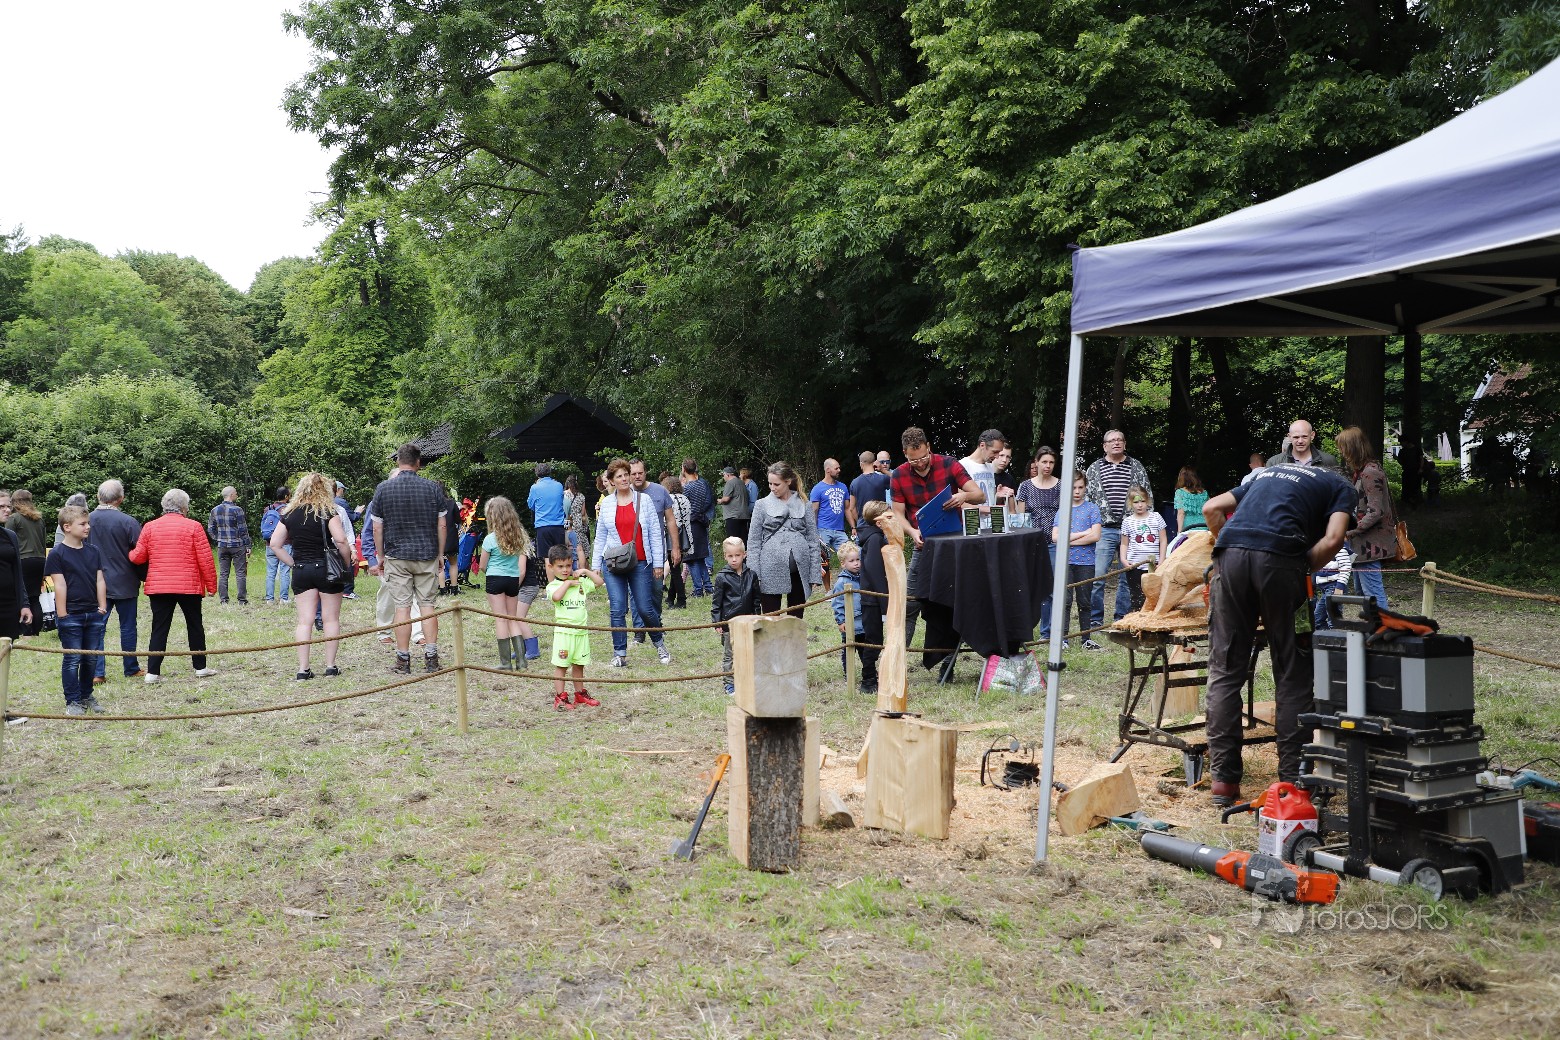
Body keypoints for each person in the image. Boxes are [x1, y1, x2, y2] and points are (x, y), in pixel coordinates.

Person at [1201, 462, 1356, 805]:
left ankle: (1223, 783)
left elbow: (1211, 508)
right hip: (1282, 561)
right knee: (1292, 671)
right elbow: (1334, 539)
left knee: (1225, 669)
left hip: (1230, 558)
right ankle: (1293, 782)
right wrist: (1302, 567)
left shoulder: (1265, 475)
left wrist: (1228, 550)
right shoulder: (1341, 487)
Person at [888, 427, 986, 640]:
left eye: (923, 457)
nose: (920, 463)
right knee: (910, 603)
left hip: (954, 545)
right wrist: (912, 531)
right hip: (923, 545)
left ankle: (948, 657)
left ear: (929, 447)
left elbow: (980, 495)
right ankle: (899, 655)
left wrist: (962, 497)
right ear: (905, 453)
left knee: (953, 601)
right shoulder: (899, 475)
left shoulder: (949, 463)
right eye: (914, 460)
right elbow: (897, 514)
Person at [369, 444, 448, 675]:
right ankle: (431, 657)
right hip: (426, 554)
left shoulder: (383, 489)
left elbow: (377, 528)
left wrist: (380, 556)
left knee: (402, 607)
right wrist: (440, 553)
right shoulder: (432, 488)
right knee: (427, 605)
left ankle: (403, 660)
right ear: (418, 463)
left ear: (398, 461)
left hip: (397, 555)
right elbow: (442, 525)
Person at [269, 472, 353, 680]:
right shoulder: (328, 511)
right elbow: (341, 540)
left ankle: (303, 669)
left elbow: (275, 544)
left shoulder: (289, 513)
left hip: (301, 569)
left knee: (304, 621)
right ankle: (330, 666)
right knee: (330, 619)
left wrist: (293, 563)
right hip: (327, 569)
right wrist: (345, 562)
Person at [129, 488, 218, 683]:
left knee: (159, 628)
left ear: (164, 506)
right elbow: (205, 559)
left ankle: (152, 673)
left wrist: (128, 553)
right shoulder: (194, 527)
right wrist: (211, 585)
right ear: (184, 507)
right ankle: (200, 667)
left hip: (159, 586)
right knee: (195, 625)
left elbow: (138, 557)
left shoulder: (150, 527)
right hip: (189, 586)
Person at [593, 458, 671, 667]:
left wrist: (658, 563)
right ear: (611, 481)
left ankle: (659, 643)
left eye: (626, 474)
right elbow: (600, 536)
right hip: (614, 563)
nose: (624, 479)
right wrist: (595, 565)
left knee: (645, 608)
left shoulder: (644, 500)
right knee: (617, 608)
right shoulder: (607, 504)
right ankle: (619, 653)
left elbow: (655, 533)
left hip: (641, 562)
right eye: (619, 476)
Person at [1084, 429, 1153, 629]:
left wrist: (1145, 525)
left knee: (1127, 576)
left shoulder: (1136, 466)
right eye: (1112, 440)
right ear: (1104, 446)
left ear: (1124, 444)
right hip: (1104, 530)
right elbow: (1087, 499)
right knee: (1098, 575)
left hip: (1131, 529)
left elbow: (1147, 496)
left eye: (1119, 440)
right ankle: (1095, 620)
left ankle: (1121, 618)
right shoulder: (1094, 469)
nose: (1116, 443)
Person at [45, 504, 107, 716]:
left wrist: (102, 606)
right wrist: (62, 614)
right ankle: (72, 700)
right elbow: (60, 584)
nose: (88, 527)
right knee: (72, 659)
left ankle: (86, 695)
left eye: (88, 523)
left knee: (91, 658)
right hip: (71, 615)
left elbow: (100, 579)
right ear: (67, 527)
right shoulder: (57, 554)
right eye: (83, 524)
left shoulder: (93, 551)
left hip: (93, 613)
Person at [748, 461, 822, 618]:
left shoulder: (805, 504)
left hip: (799, 570)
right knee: (771, 620)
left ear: (788, 481)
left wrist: (814, 573)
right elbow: (753, 542)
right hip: (769, 569)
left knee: (795, 619)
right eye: (770, 484)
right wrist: (755, 575)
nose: (772, 488)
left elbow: (813, 541)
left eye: (776, 484)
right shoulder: (761, 505)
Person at [88, 479, 145, 683]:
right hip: (125, 581)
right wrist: (144, 576)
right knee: (128, 626)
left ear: (98, 496)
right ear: (121, 499)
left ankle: (97, 672)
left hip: (94, 582)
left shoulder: (86, 521)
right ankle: (131, 667)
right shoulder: (128, 522)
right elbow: (140, 553)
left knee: (96, 627)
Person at [1335, 426, 1397, 609]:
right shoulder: (1362, 471)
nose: (1341, 452)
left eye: (1343, 447)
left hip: (1370, 546)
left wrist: (1350, 531)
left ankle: (1382, 626)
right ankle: (1372, 625)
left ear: (1353, 447)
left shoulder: (1370, 472)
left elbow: (1375, 511)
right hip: (1361, 546)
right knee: (1363, 594)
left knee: (1373, 595)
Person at [478, 496, 540, 671]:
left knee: (501, 619)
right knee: (513, 619)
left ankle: (505, 663)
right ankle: (521, 661)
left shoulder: (490, 539)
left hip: (495, 579)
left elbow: (482, 565)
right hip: (513, 580)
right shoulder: (518, 537)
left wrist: (490, 571)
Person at [546, 545, 603, 709]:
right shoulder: (553, 586)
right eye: (560, 566)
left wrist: (584, 571)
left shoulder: (581, 583)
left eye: (568, 566)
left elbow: (599, 582)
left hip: (581, 633)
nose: (565, 570)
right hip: (564, 634)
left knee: (579, 665)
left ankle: (580, 694)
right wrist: (569, 583)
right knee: (562, 666)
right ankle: (560, 697)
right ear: (551, 567)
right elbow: (556, 597)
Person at [629, 459, 679, 641]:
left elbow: (670, 520)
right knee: (634, 592)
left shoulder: (660, 491)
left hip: (656, 551)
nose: (637, 476)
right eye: (633, 473)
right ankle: (639, 630)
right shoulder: (625, 493)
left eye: (640, 473)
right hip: (634, 553)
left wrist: (675, 547)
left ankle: (655, 623)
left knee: (657, 589)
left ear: (645, 472)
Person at [1053, 475, 1104, 650]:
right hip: (1065, 562)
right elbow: (1055, 537)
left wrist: (1068, 540)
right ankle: (1063, 638)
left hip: (1086, 562)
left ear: (1085, 488)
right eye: (1074, 487)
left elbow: (1095, 535)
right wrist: (1083, 533)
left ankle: (1086, 639)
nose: (1077, 491)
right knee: (1065, 601)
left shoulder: (1092, 509)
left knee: (1085, 601)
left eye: (1080, 487)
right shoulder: (1063, 510)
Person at [711, 535, 759, 696]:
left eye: (737, 555)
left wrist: (756, 617)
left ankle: (746, 680)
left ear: (744, 555)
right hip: (729, 623)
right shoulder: (721, 577)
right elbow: (717, 602)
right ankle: (729, 683)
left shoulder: (752, 575)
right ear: (725, 556)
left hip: (748, 622)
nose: (734, 559)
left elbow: (756, 600)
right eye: (730, 555)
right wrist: (717, 622)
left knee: (747, 652)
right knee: (730, 654)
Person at [854, 500, 889, 695]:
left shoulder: (876, 536)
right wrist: (885, 602)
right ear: (878, 521)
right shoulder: (875, 539)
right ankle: (868, 680)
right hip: (873, 598)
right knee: (873, 640)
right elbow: (876, 572)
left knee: (875, 639)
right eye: (888, 516)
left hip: (875, 598)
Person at [5, 489, 48, 635]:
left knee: (23, 598)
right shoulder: (39, 519)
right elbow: (43, 542)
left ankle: (26, 631)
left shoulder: (14, 519)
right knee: (35, 597)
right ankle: (36, 631)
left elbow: (7, 541)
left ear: (14, 502)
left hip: (23, 560)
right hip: (40, 560)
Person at [1119, 486, 1166, 612]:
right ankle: (1138, 620)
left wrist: (1162, 560)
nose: (1140, 505)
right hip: (1134, 566)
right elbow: (1124, 544)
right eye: (1136, 502)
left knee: (1154, 596)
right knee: (1137, 597)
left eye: (1143, 501)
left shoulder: (1156, 517)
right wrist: (1123, 559)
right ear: (1130, 503)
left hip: (1153, 565)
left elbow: (1163, 540)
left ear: (1148, 501)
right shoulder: (1127, 522)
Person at [206, 486, 250, 605]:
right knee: (240, 573)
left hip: (222, 545)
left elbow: (210, 528)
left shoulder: (215, 510)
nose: (237, 495)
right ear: (231, 495)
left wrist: (218, 538)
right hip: (237, 545)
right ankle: (242, 600)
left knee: (223, 573)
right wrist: (248, 545)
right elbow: (243, 529)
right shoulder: (237, 510)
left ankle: (224, 600)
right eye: (236, 493)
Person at [959, 429, 1007, 530]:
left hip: (991, 525)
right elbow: (959, 503)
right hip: (972, 526)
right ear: (982, 445)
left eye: (999, 452)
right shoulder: (962, 465)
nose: (997, 456)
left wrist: (997, 497)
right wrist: (987, 509)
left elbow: (990, 500)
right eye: (995, 452)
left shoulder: (990, 466)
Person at [681, 459, 715, 596]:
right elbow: (707, 501)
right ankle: (708, 586)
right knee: (700, 557)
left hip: (691, 523)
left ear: (684, 469)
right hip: (701, 521)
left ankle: (698, 589)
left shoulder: (687, 488)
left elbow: (683, 506)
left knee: (691, 559)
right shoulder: (702, 484)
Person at [831, 541, 865, 677]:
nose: (856, 563)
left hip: (864, 623)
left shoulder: (864, 578)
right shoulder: (841, 583)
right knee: (849, 651)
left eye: (858, 559)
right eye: (851, 561)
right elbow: (837, 603)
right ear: (843, 564)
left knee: (866, 651)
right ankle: (848, 674)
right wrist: (841, 621)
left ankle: (869, 672)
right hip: (850, 625)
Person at [0, 496, 32, 642]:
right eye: (1, 506)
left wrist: (24, 604)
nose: (7, 510)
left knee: (5, 649)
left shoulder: (10, 535)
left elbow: (18, 573)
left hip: (8, 604)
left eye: (9, 506)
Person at [528, 463, 567, 564]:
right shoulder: (559, 485)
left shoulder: (535, 488)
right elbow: (561, 501)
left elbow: (530, 505)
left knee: (547, 558)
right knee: (560, 556)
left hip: (543, 526)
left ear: (537, 474)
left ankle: (550, 575)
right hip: (558, 526)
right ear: (549, 472)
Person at [809, 458, 850, 554]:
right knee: (823, 559)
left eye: (839, 468)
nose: (839, 470)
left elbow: (847, 509)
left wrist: (853, 527)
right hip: (823, 530)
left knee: (849, 554)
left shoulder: (843, 487)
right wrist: (814, 532)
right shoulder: (817, 489)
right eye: (836, 468)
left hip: (840, 530)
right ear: (828, 470)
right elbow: (813, 511)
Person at [846, 450, 890, 538]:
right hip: (881, 525)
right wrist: (883, 470)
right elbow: (898, 481)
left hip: (863, 528)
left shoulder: (854, 483)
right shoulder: (882, 479)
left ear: (861, 464)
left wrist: (860, 521)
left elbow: (852, 508)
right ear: (874, 463)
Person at [260, 487, 291, 605]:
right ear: (286, 496)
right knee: (285, 571)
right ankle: (284, 598)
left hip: (270, 544)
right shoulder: (288, 509)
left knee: (270, 572)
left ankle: (269, 599)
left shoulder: (268, 508)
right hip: (285, 544)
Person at [1266, 419, 1339, 470]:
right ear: (1289, 437)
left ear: (1312, 435)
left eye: (1304, 437)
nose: (1300, 441)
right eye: (1296, 437)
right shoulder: (1274, 463)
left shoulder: (1329, 461)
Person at [664, 477, 692, 609]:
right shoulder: (685, 498)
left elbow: (667, 520)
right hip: (685, 536)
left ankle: (681, 599)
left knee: (674, 570)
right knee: (676, 567)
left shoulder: (668, 499)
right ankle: (670, 597)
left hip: (672, 536)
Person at [1312, 544, 1353, 631]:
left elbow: (1346, 566)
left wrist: (1340, 586)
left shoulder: (1338, 547)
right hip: (1325, 588)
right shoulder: (1320, 548)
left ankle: (1337, 635)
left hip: (1334, 586)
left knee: (1333, 619)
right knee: (1318, 619)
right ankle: (1326, 636)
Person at [333, 481, 359, 599]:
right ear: (337, 489)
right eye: (343, 490)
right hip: (341, 540)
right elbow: (351, 519)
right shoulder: (340, 504)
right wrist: (358, 512)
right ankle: (348, 591)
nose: (343, 492)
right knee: (347, 564)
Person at [436, 481, 461, 595]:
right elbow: (458, 519)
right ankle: (454, 588)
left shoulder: (433, 504)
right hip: (451, 537)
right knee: (453, 563)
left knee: (439, 565)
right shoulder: (451, 503)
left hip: (437, 538)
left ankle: (442, 589)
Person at [563, 474, 591, 571]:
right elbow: (583, 513)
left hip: (568, 522)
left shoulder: (564, 494)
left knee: (568, 547)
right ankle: (583, 570)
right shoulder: (581, 496)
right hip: (578, 522)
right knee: (580, 548)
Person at [718, 465, 752, 545]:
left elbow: (726, 499)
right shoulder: (741, 482)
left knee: (732, 542)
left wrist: (720, 500)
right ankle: (744, 553)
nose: (723, 477)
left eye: (724, 475)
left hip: (733, 516)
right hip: (744, 516)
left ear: (728, 475)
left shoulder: (730, 483)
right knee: (743, 541)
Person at [1173, 466, 1209, 537]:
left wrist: (1179, 533)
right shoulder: (1204, 493)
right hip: (1204, 527)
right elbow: (1209, 510)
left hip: (1189, 528)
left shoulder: (1180, 492)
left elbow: (1181, 513)